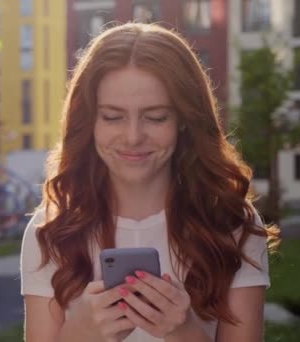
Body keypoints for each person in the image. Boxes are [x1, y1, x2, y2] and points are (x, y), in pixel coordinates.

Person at [20, 22, 279, 342]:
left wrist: (184, 333)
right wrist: (82, 333)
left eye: (156, 117)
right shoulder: (50, 231)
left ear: (185, 119)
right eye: (113, 117)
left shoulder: (231, 223)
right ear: (88, 121)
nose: (133, 137)